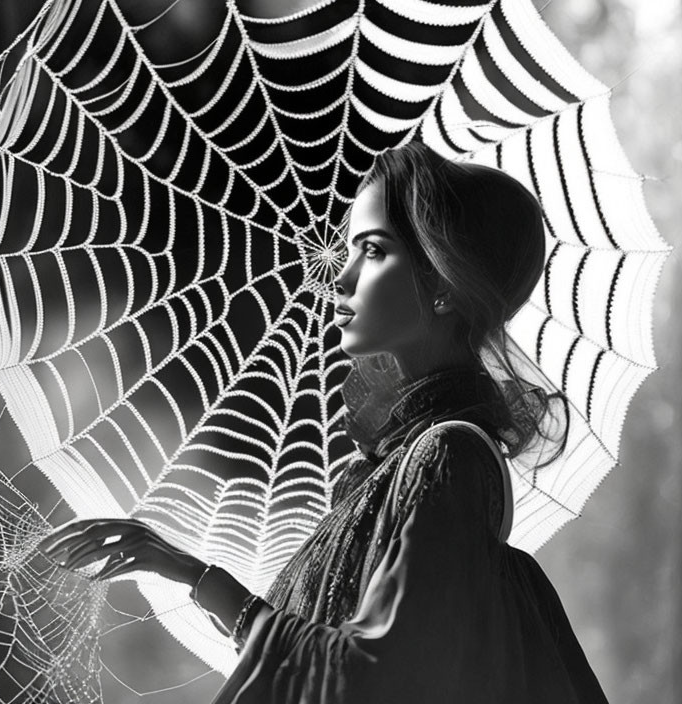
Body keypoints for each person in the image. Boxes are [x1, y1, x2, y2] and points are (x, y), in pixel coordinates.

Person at [40, 142, 609, 703]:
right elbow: (322, 656)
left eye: (374, 250)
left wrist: (194, 573)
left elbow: (372, 674)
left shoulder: (446, 460)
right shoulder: (397, 468)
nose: (340, 278)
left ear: (441, 285)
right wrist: (187, 572)